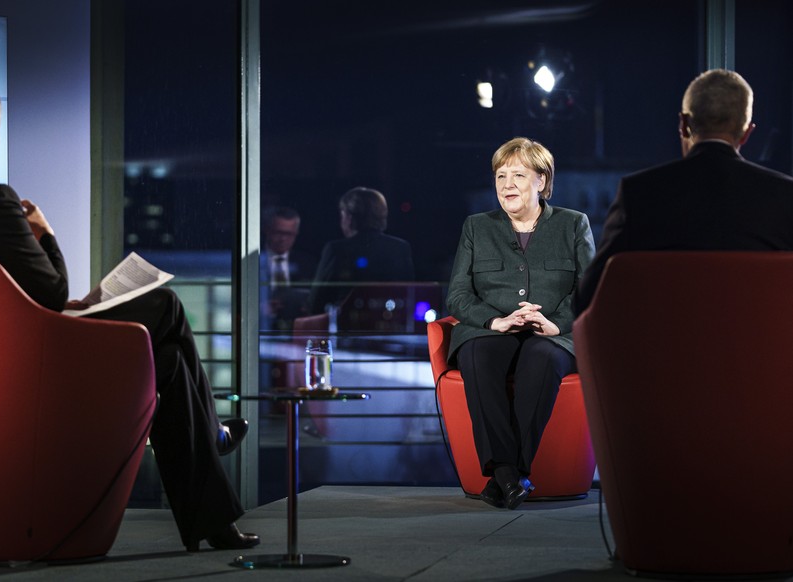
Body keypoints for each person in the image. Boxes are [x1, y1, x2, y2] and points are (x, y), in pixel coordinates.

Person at [0, 78, 259, 552]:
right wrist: (45, 233)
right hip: (34, 369)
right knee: (164, 304)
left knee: (167, 366)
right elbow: (53, 293)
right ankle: (212, 435)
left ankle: (214, 518)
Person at [446, 137, 595, 510]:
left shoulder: (573, 224)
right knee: (479, 357)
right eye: (500, 176)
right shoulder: (476, 227)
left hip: (553, 334)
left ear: (541, 181)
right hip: (490, 329)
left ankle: (505, 476)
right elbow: (458, 295)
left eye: (517, 175)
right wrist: (494, 320)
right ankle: (512, 476)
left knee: (541, 359)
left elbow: (590, 289)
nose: (506, 184)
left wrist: (556, 322)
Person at [575, 69, 793, 315]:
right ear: (746, 133)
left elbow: (588, 297)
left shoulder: (640, 193)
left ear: (684, 124)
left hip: (660, 350)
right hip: (761, 350)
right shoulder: (785, 196)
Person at [309, 187, 415, 315]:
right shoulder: (401, 247)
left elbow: (316, 302)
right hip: (392, 326)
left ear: (348, 217)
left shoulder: (336, 250)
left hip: (347, 328)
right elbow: (409, 297)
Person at [260, 205, 317, 331]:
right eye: (278, 232)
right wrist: (259, 309)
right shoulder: (253, 262)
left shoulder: (308, 264)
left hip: (297, 330)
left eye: (289, 234)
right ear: (267, 230)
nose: (283, 239)